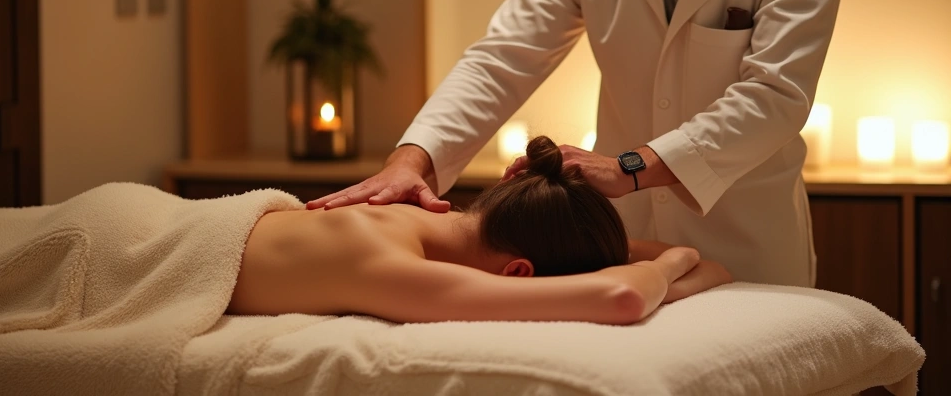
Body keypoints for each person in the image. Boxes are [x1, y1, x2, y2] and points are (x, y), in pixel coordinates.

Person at [308, 0, 842, 288]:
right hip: (619, 249)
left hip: (747, 248)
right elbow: (502, 58)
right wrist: (412, 161)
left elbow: (774, 98)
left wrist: (629, 167)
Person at [230, 136, 732, 323]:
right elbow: (624, 297)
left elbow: (707, 265)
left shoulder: (432, 221)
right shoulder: (389, 268)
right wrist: (665, 268)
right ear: (517, 272)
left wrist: (660, 266)